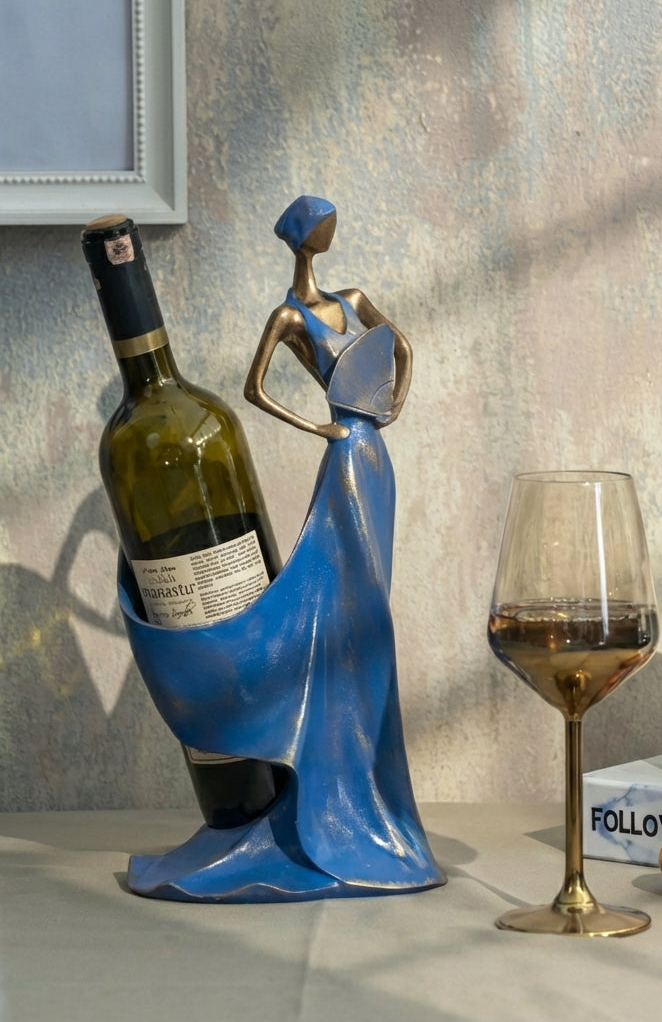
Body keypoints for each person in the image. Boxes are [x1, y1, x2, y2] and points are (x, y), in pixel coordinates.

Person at [123, 197, 444, 902]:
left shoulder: (352, 296)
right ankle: (337, 794)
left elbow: (402, 347)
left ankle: (364, 793)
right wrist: (323, 427)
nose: (330, 232)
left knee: (368, 622)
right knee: (344, 614)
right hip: (346, 455)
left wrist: (386, 409)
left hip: (373, 458)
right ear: (306, 236)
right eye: (322, 225)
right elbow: (255, 390)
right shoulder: (289, 317)